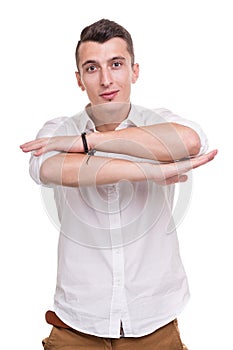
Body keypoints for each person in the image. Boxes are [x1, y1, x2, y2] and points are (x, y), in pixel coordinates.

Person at [20, 19, 217, 350]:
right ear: (79, 79)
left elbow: (189, 141)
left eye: (116, 64)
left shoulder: (158, 122)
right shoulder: (57, 129)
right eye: (92, 68)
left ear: (134, 70)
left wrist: (86, 141)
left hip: (154, 318)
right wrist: (148, 171)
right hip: (77, 321)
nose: (106, 79)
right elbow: (50, 167)